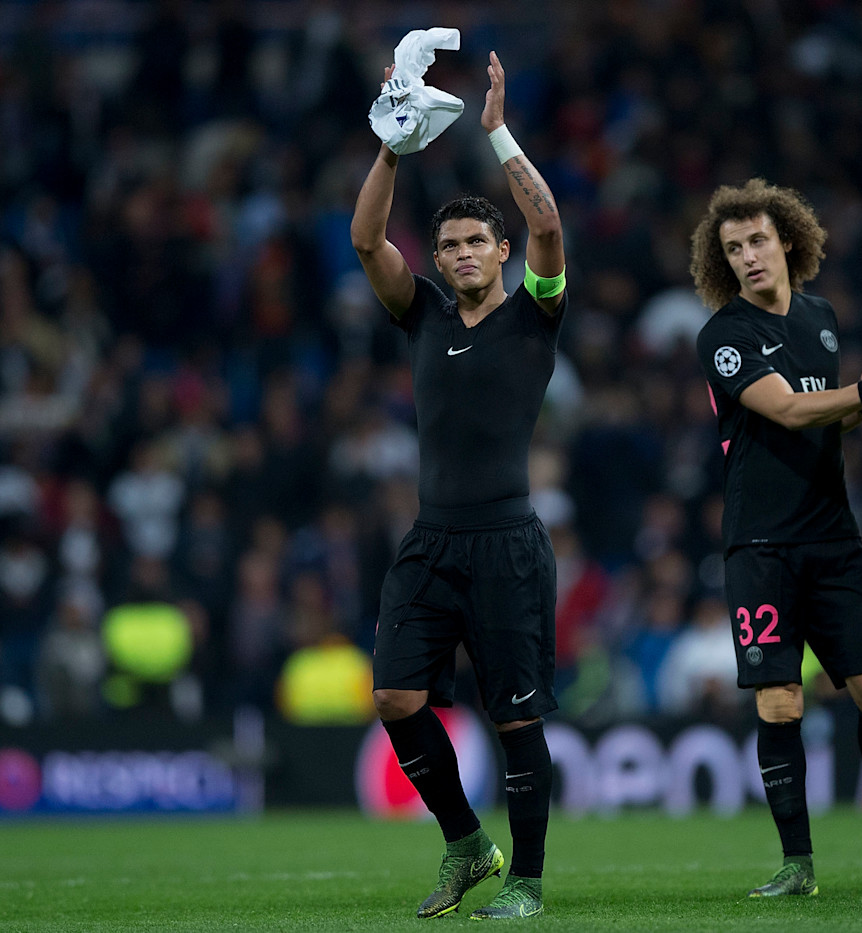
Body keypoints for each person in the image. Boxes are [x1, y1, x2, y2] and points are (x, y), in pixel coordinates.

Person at [351, 50, 565, 920]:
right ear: (436, 259)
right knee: (396, 696)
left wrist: (497, 134)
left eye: (478, 240)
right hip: (431, 539)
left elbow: (549, 225)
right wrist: (392, 145)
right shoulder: (423, 315)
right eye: (449, 244)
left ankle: (528, 883)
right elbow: (368, 240)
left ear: (501, 252)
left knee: (515, 721)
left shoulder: (535, 313)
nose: (462, 252)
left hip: (509, 541)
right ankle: (469, 844)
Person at [691, 178, 862, 896]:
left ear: (789, 241)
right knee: (780, 701)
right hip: (760, 546)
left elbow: (828, 415)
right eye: (733, 247)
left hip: (833, 538)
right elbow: (791, 411)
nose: (747, 256)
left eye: (758, 241)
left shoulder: (822, 316)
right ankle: (797, 862)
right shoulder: (724, 335)